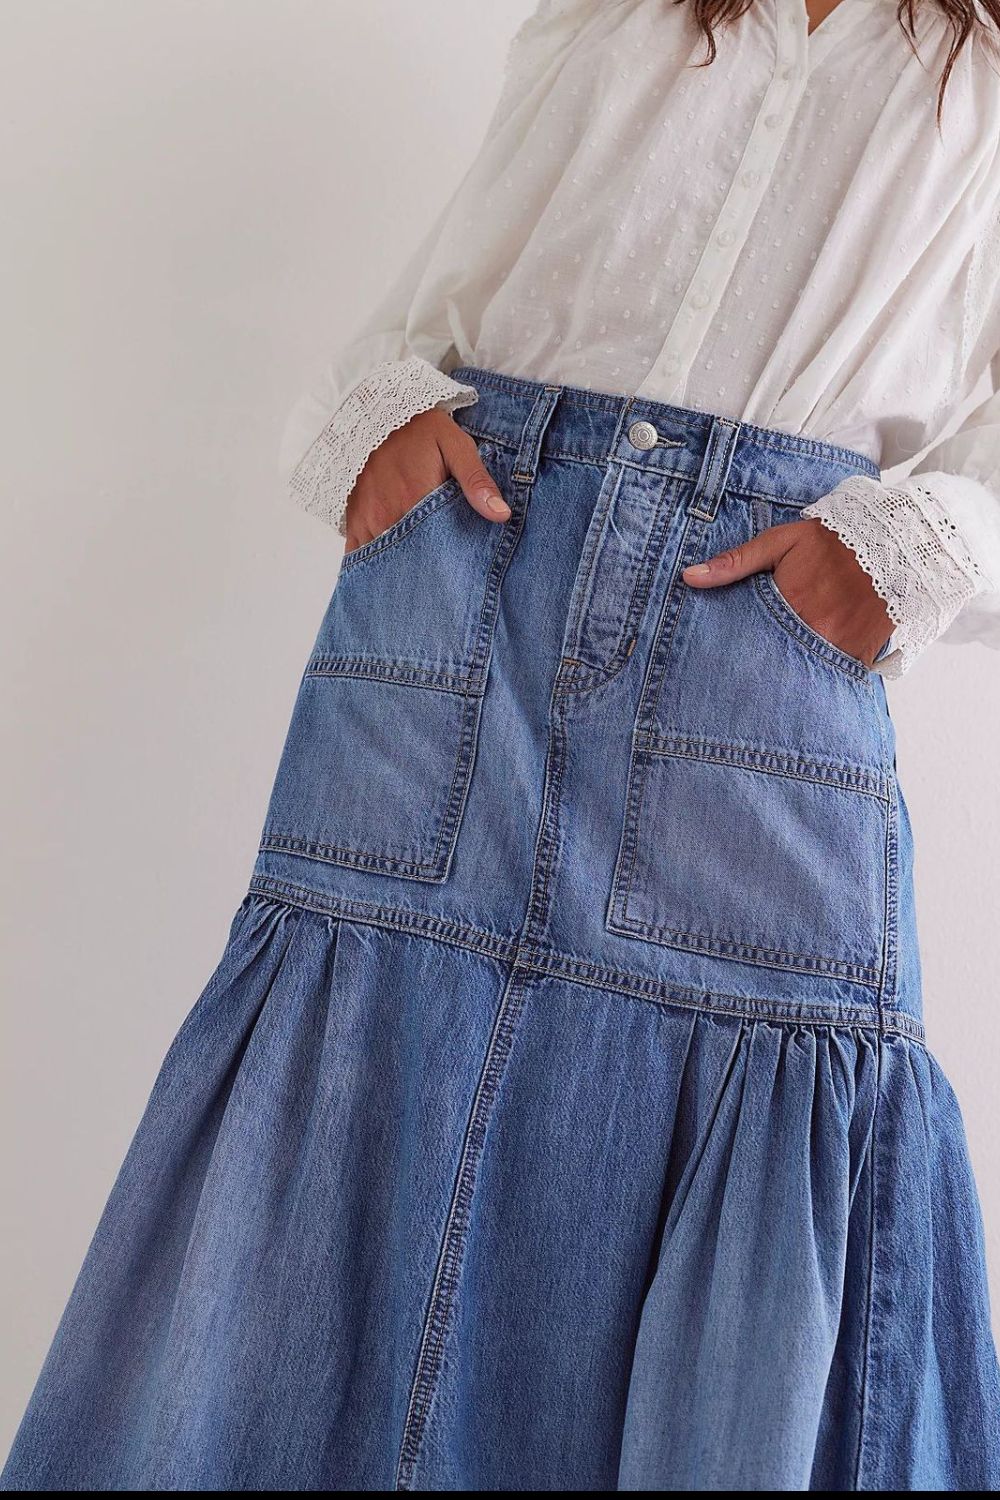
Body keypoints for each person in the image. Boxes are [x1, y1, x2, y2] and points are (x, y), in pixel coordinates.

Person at [4, 0, 1000, 1491]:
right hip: (458, 588)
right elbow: (452, 289)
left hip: (758, 656)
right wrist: (376, 421)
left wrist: (913, 550)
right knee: (347, 1114)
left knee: (777, 1138)